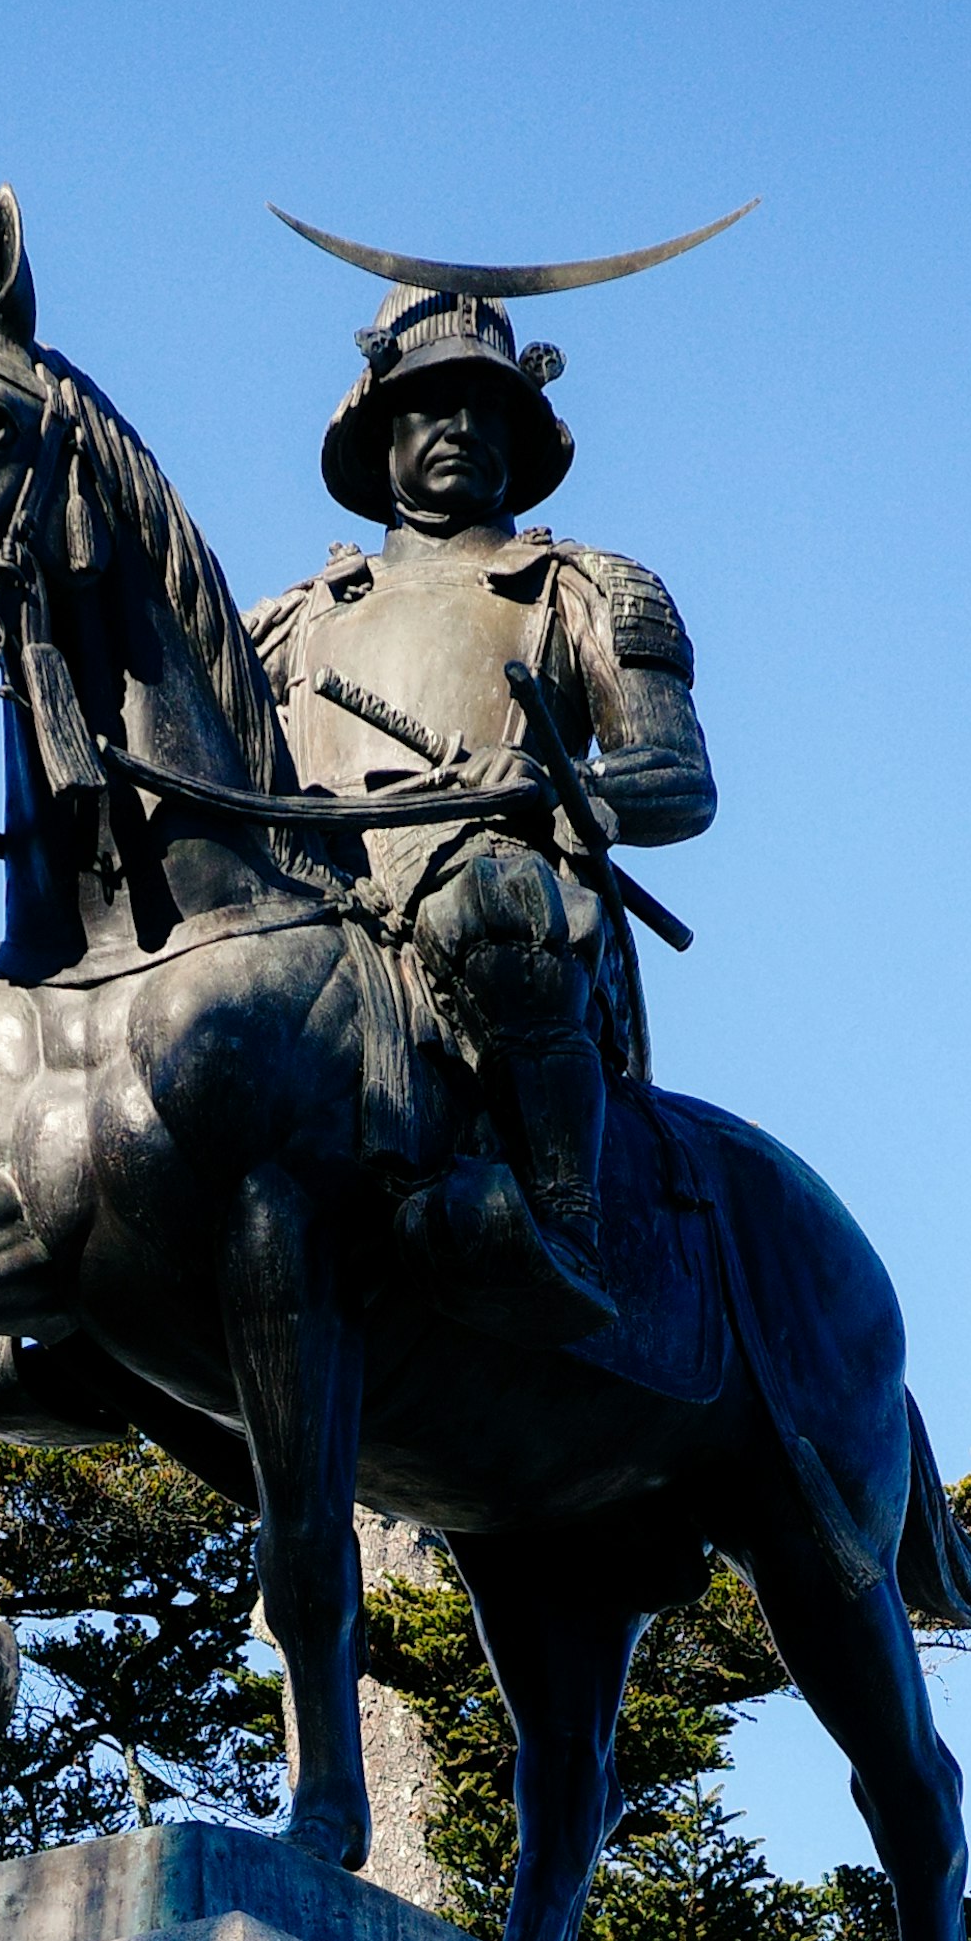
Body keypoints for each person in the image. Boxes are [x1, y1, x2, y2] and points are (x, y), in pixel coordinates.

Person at [247, 287, 715, 1336]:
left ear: (519, 430)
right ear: (384, 429)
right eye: (430, 404)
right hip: (318, 895)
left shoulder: (585, 588)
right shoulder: (284, 625)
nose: (459, 425)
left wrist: (562, 788)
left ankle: (562, 1218)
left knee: (499, 904)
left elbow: (679, 780)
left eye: (484, 406)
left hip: (496, 884)